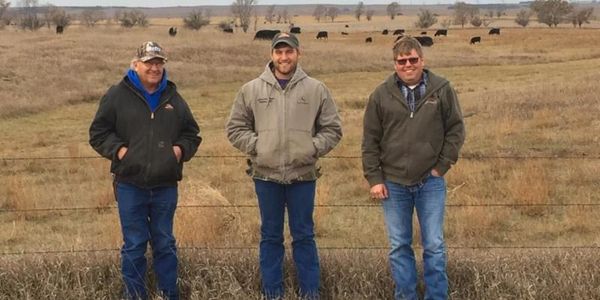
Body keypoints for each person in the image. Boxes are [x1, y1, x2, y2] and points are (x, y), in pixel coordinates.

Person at [226, 32, 342, 299]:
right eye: (279, 52)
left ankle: (310, 293)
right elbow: (235, 128)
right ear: (271, 55)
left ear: (298, 54)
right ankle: (272, 293)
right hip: (266, 177)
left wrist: (312, 148)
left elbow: (333, 129)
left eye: (289, 52)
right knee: (270, 237)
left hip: (303, 176)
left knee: (303, 236)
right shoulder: (252, 89)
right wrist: (257, 146)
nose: (284, 57)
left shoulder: (315, 89)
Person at [89, 41, 201, 300]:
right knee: (135, 245)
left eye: (159, 62)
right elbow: (98, 133)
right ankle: (134, 295)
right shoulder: (117, 95)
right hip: (130, 184)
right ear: (135, 65)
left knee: (165, 243)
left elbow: (191, 134)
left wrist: (178, 152)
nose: (154, 68)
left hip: (165, 185)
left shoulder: (173, 97)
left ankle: (168, 294)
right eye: (149, 62)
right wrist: (120, 151)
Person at [361, 36, 465, 300]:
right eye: (401, 61)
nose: (408, 65)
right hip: (393, 183)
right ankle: (405, 295)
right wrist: (375, 178)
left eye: (413, 59)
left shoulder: (442, 89)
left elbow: (456, 129)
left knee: (434, 245)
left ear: (422, 60)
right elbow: (370, 140)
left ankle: (437, 296)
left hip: (430, 181)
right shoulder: (381, 94)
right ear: (395, 63)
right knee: (399, 246)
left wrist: (441, 167)